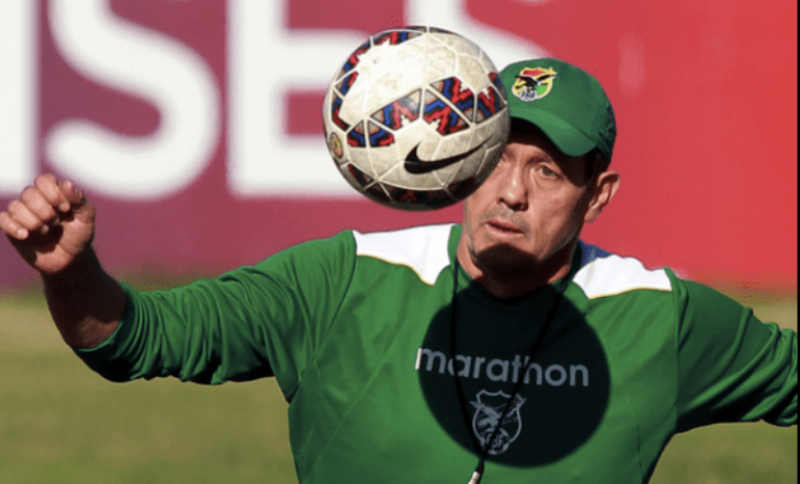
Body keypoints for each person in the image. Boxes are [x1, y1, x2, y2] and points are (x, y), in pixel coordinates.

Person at [1, 58, 796, 484]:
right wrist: (73, 274)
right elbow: (136, 339)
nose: (511, 191)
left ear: (599, 196)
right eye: (492, 156)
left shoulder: (660, 316)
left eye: (548, 172)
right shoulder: (345, 279)